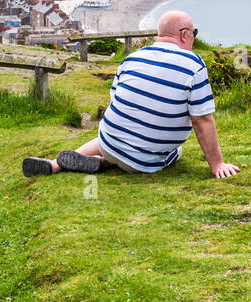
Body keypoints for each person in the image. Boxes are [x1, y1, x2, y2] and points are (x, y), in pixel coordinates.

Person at [22, 10, 239, 179]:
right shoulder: (193, 64)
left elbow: (117, 101)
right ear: (184, 34)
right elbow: (202, 120)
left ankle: (56, 164)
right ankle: (107, 162)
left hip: (110, 141)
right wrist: (217, 164)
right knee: (177, 151)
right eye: (194, 33)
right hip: (145, 162)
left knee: (113, 136)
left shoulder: (132, 58)